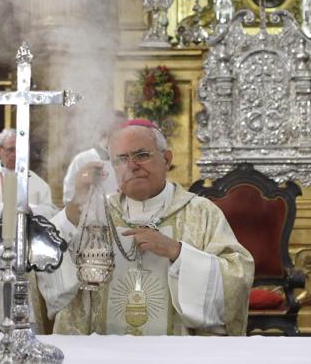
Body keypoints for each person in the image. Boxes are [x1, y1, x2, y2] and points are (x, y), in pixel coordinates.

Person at [40, 120, 254, 335]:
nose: (132, 166)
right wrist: (77, 206)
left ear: (167, 159)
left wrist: (177, 252)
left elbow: (236, 278)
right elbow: (45, 262)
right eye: (121, 159)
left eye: (142, 155)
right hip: (105, 353)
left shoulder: (201, 213)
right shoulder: (94, 213)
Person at [0, 129, 56, 218]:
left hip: (27, 232)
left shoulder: (34, 180)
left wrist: (30, 210)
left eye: (19, 149)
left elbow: (51, 211)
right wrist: (0, 210)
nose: (15, 154)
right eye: (11, 149)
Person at [61, 113, 125, 205]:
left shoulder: (127, 159)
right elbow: (69, 198)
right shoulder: (83, 159)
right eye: (119, 126)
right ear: (105, 129)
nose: (124, 130)